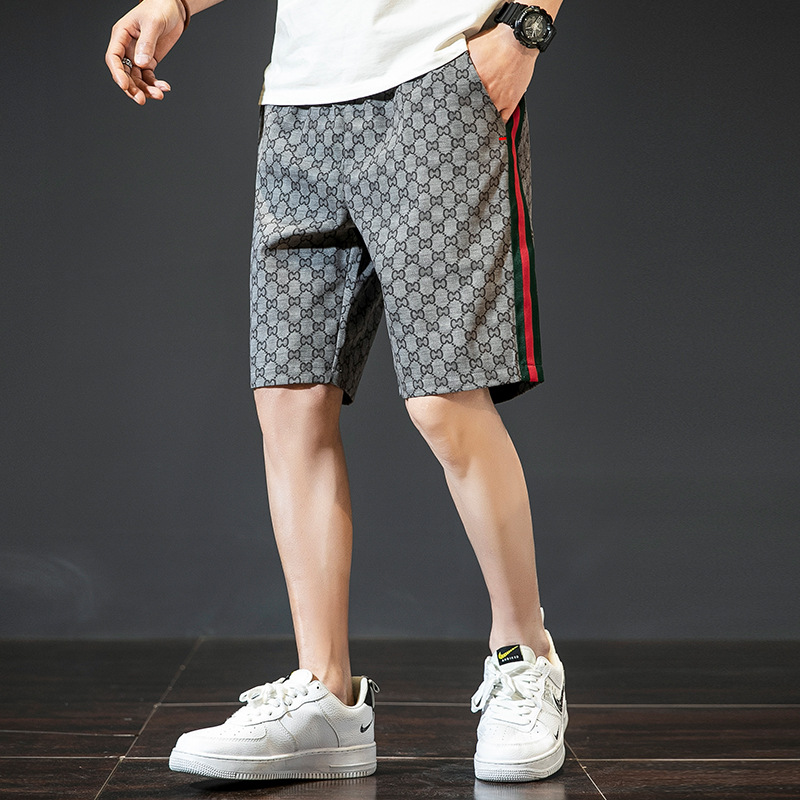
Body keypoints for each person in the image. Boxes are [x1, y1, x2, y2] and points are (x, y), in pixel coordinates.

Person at [105, 0, 567, 784]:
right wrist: (175, 4)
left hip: (437, 79)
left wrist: (526, 28)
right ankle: (327, 697)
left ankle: (525, 658)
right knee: (289, 402)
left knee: (444, 399)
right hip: (298, 101)